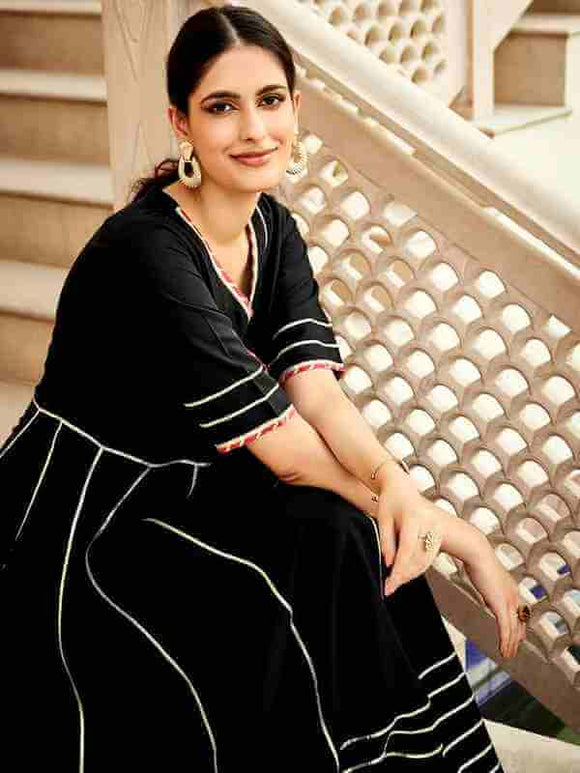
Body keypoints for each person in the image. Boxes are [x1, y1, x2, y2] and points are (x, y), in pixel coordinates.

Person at [0, 5, 529, 771]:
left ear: (295, 108)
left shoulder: (271, 227)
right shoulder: (146, 250)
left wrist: (396, 489)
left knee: (349, 531)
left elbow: (316, 393)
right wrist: (457, 532)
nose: (253, 129)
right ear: (181, 123)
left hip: (195, 469)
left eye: (270, 100)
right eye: (222, 106)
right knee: (287, 573)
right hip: (94, 505)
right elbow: (287, 452)